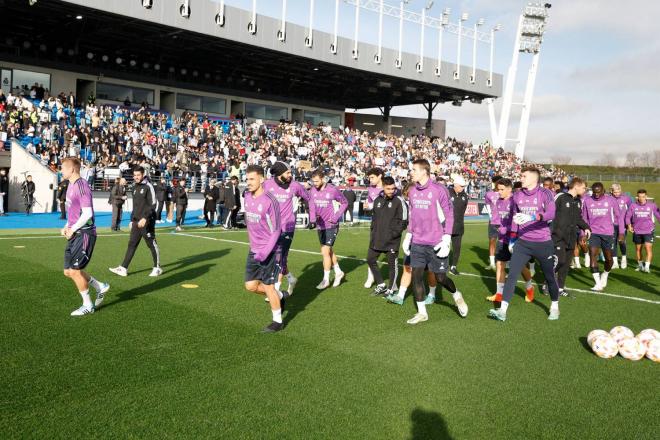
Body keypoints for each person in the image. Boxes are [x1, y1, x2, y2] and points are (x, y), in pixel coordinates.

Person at [488, 167, 560, 322]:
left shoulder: (545, 193)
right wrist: (513, 239)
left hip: (543, 242)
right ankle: (502, 311)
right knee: (512, 274)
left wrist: (533, 216)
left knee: (549, 277)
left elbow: (551, 213)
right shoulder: (518, 194)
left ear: (534, 178)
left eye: (524, 175)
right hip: (523, 242)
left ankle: (555, 306)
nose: (521, 177)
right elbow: (515, 218)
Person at [403, 159, 468, 325]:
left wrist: (447, 239)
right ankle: (422, 313)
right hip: (417, 242)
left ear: (424, 171)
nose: (412, 172)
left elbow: (450, 215)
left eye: (414, 170)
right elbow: (412, 215)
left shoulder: (439, 190)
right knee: (417, 277)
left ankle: (456, 295)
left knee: (440, 278)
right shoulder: (412, 191)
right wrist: (409, 235)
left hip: (436, 242)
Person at [59, 157, 109, 316]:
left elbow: (87, 213)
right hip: (75, 232)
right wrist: (67, 226)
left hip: (85, 233)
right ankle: (100, 286)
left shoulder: (82, 185)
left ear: (72, 170)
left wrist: (73, 229)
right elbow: (73, 211)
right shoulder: (70, 185)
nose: (61, 171)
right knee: (68, 272)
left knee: (75, 271)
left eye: (63, 169)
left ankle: (88, 306)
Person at [242, 165, 289, 333]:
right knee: (250, 286)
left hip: (270, 251)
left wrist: (266, 251)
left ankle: (277, 321)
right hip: (254, 250)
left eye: (252, 179)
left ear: (262, 179)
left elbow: (277, 230)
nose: (248, 182)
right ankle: (281, 296)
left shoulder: (270, 200)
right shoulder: (247, 196)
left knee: (269, 286)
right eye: (247, 179)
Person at [485, 178, 536, 304]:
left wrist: (508, 230)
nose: (499, 192)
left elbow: (519, 222)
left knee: (519, 266)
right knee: (500, 265)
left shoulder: (516, 201)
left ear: (509, 189)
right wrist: (497, 226)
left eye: (502, 190)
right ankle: (499, 294)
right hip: (503, 239)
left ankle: (529, 288)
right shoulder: (498, 201)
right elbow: (496, 219)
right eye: (498, 189)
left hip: (516, 239)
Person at [387, 182, 438, 306]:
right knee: (407, 267)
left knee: (431, 270)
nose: (410, 197)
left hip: (429, 241)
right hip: (413, 240)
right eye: (407, 195)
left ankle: (432, 294)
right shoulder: (408, 205)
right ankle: (400, 295)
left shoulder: (429, 204)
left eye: (411, 194)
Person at [263, 161, 309, 295]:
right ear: (278, 174)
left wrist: (312, 215)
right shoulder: (266, 184)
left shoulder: (295, 185)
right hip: (271, 227)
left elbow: (308, 197)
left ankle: (276, 289)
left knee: (279, 257)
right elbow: (255, 195)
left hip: (287, 227)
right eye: (288, 172)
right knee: (274, 258)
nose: (291, 174)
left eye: (290, 172)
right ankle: (291, 278)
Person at [109, 166, 162, 277]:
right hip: (136, 221)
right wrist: (132, 220)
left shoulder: (149, 186)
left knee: (151, 244)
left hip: (146, 221)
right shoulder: (134, 186)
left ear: (143, 175)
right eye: (135, 175)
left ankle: (157, 268)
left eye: (138, 175)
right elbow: (136, 206)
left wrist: (145, 218)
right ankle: (123, 268)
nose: (136, 177)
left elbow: (153, 204)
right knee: (132, 244)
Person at [366, 176, 408, 297]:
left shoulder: (399, 201)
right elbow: (374, 218)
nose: (391, 191)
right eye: (388, 188)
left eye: (393, 188)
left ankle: (391, 288)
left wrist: (393, 234)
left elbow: (404, 221)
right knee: (370, 259)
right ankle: (380, 284)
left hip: (391, 240)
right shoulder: (377, 200)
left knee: (392, 265)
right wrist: (373, 232)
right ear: (383, 187)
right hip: (376, 238)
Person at [308, 168, 349, 289]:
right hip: (320, 226)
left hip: (331, 225)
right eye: (313, 181)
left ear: (323, 179)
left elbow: (345, 203)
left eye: (316, 181)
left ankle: (325, 280)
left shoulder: (332, 190)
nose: (314, 184)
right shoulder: (312, 191)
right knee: (329, 251)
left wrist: (336, 217)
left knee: (325, 252)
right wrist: (312, 219)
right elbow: (311, 206)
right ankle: (339, 272)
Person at [581, 182, 624, 291]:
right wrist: (583, 234)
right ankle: (598, 283)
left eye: (598, 192)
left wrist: (621, 233)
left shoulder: (611, 200)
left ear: (603, 191)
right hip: (593, 232)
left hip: (608, 233)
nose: (596, 195)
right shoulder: (587, 200)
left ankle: (605, 274)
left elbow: (619, 217)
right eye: (594, 192)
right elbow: (584, 218)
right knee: (593, 255)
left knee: (609, 260)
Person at [552, 177, 591, 297]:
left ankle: (560, 289)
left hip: (571, 237)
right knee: (559, 261)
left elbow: (578, 218)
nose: (585, 190)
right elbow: (550, 214)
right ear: (576, 186)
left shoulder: (578, 201)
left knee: (565, 265)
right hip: (558, 237)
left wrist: (586, 227)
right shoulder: (560, 197)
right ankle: (547, 284)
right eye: (584, 187)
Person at [626, 189, 660, 273]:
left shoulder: (652, 205)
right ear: (637, 197)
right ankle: (640, 265)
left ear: (646, 197)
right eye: (639, 196)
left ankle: (647, 267)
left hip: (649, 230)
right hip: (637, 231)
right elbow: (628, 216)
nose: (641, 198)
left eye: (643, 196)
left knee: (648, 248)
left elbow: (658, 215)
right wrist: (629, 225)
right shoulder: (633, 206)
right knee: (638, 249)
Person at [364, 168, 384, 288]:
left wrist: (372, 206)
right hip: (375, 223)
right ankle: (370, 277)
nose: (370, 180)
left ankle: (393, 284)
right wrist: (367, 206)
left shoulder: (389, 188)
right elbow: (370, 204)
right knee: (371, 252)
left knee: (391, 254)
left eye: (372, 177)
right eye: (369, 178)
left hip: (388, 225)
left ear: (380, 176)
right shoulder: (370, 189)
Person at [448, 175, 469, 275]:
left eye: (464, 186)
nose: (463, 188)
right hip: (446, 227)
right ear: (455, 185)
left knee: (457, 248)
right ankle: (441, 265)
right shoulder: (447, 193)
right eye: (461, 186)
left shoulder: (465, 196)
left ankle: (453, 266)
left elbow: (463, 210)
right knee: (444, 247)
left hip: (459, 227)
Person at [610, 183, 632, 269]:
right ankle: (615, 262)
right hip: (612, 224)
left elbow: (631, 210)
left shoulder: (626, 198)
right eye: (615, 192)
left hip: (622, 224)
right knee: (613, 242)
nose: (617, 194)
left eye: (618, 191)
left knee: (621, 241)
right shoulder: (608, 198)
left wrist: (629, 223)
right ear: (611, 191)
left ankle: (623, 258)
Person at [485, 176, 502, 270]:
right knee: (492, 241)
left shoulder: (505, 193)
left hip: (504, 222)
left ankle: (505, 261)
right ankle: (492, 264)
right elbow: (488, 205)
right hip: (493, 222)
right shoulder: (489, 194)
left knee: (503, 243)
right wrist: (491, 217)